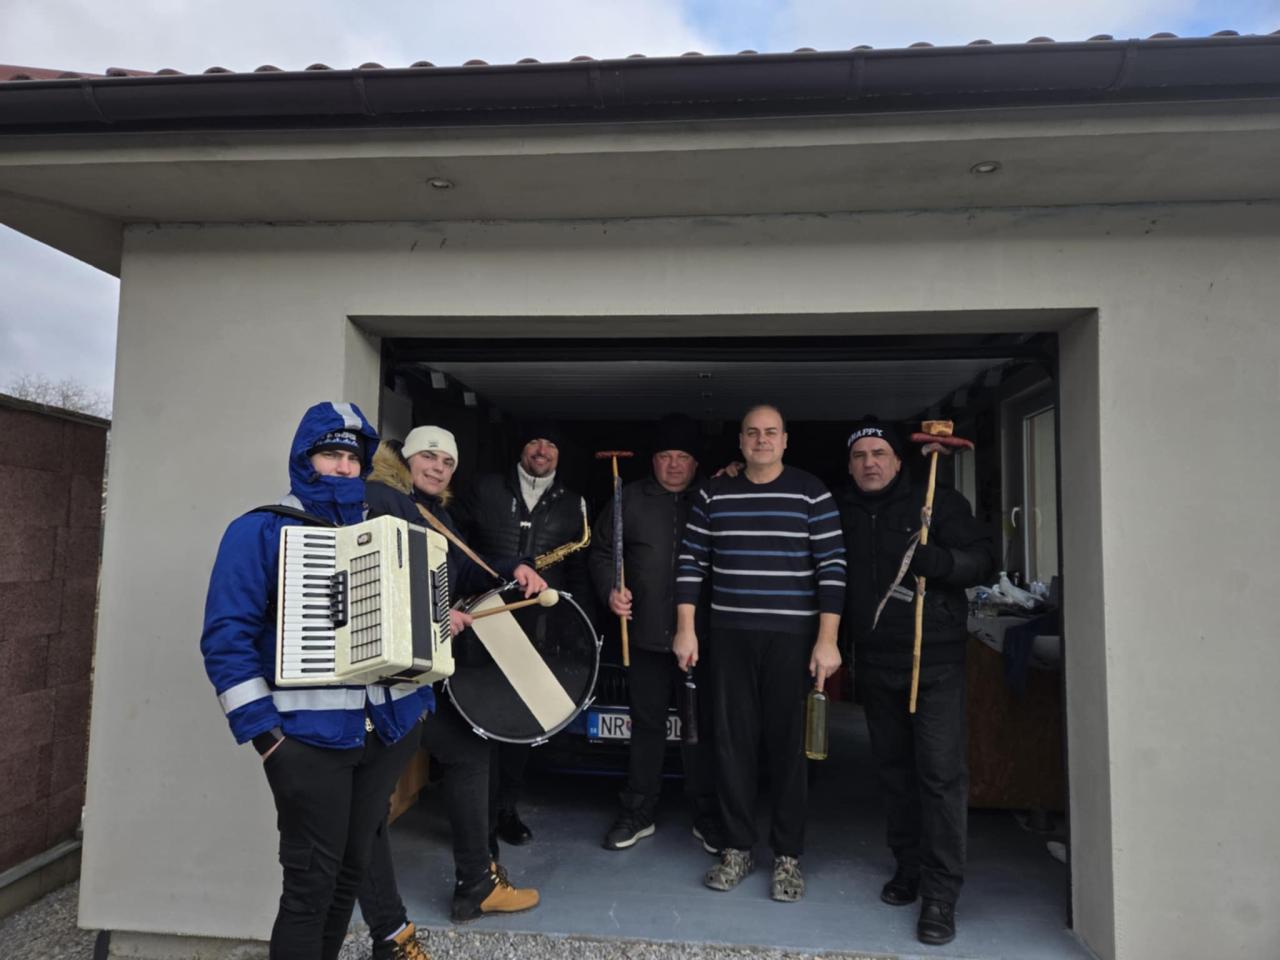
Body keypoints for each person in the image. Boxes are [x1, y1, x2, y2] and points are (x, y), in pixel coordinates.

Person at [200, 401, 423, 960]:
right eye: (330, 455)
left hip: (385, 735)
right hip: (306, 742)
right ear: (305, 458)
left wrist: (420, 698)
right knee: (309, 887)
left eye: (353, 458)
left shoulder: (386, 533)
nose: (344, 468)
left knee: (349, 874)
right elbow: (226, 639)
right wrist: (267, 738)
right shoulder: (258, 529)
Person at [357, 426, 542, 956]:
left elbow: (461, 570)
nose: (439, 468)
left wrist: (513, 569)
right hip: (377, 685)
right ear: (405, 459)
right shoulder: (383, 500)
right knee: (367, 802)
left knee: (466, 751)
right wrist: (438, 613)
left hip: (411, 680)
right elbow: (380, 578)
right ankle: (384, 924)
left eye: (447, 462)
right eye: (429, 457)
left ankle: (476, 884)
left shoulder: (432, 511)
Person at [673, 404, 845, 902]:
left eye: (771, 432)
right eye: (752, 432)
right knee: (731, 744)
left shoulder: (812, 492)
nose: (762, 440)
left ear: (785, 440)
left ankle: (788, 856)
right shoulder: (714, 493)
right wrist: (686, 630)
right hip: (729, 634)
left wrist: (828, 639)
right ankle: (737, 848)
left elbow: (832, 568)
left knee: (790, 748)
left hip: (792, 637)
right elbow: (691, 562)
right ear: (741, 441)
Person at [836, 418, 996, 947]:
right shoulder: (842, 510)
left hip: (935, 663)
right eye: (860, 456)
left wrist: (946, 562)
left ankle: (941, 894)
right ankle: (909, 866)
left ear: (898, 461)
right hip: (875, 661)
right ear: (850, 465)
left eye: (879, 453)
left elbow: (984, 560)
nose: (870, 463)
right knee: (894, 772)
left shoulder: (938, 503)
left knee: (940, 776)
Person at [452, 420, 595, 847]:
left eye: (551, 443)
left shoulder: (573, 503)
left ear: (560, 455)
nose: (542, 449)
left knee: (521, 723)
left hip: (539, 625)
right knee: (478, 719)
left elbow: (578, 571)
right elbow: (455, 544)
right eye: (534, 440)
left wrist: (582, 628)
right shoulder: (484, 488)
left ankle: (505, 810)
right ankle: (476, 820)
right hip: (482, 617)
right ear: (521, 448)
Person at [588, 413, 721, 853]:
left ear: (695, 463)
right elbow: (602, 552)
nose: (674, 464)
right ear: (653, 460)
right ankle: (638, 812)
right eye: (666, 455)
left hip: (701, 640)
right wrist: (611, 588)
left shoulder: (713, 498)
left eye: (683, 456)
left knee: (700, 729)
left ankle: (706, 813)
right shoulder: (628, 499)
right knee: (646, 727)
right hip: (644, 637)